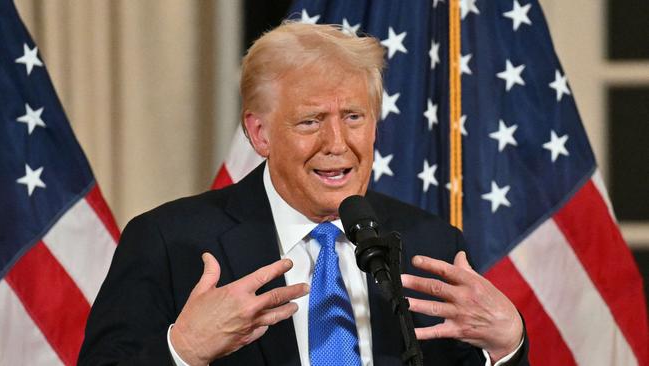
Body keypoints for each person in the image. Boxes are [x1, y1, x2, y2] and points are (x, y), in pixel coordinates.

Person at [79, 22, 528, 366]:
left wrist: (508, 346)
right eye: (311, 121)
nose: (337, 143)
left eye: (354, 116)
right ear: (259, 134)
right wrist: (183, 349)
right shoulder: (169, 242)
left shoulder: (431, 246)